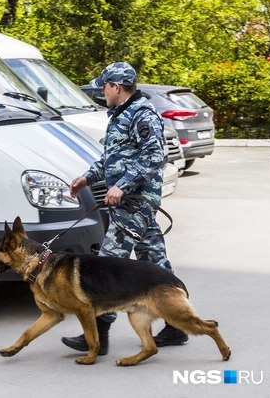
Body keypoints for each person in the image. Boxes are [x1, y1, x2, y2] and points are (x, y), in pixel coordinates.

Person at [61, 62, 188, 355]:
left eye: (104, 87)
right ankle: (177, 324)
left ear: (116, 87)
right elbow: (113, 158)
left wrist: (122, 186)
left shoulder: (143, 114)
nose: (101, 92)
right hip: (132, 203)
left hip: (135, 202)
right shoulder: (121, 114)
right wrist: (87, 178)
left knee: (107, 266)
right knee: (154, 262)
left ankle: (97, 337)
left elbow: (154, 156)